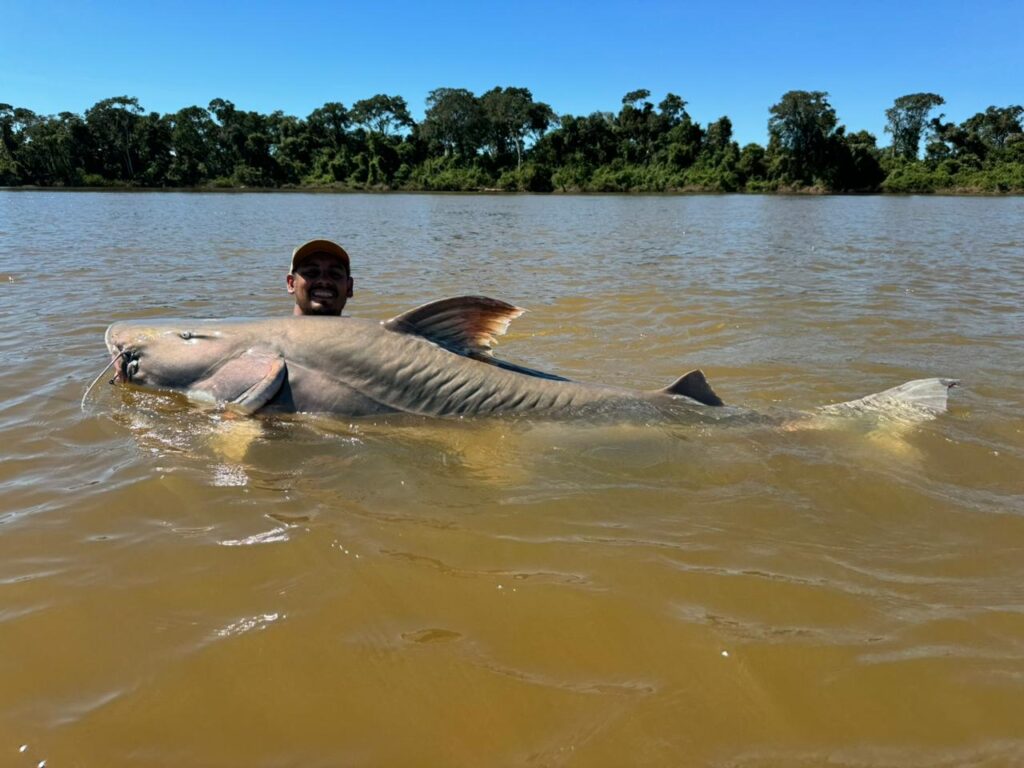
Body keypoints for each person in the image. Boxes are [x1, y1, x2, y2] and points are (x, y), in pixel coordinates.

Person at [286, 239, 354, 316]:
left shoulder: (363, 324)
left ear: (349, 287)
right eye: (311, 273)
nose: (324, 280)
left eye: (334, 274)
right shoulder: (274, 324)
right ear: (291, 284)